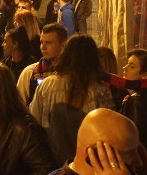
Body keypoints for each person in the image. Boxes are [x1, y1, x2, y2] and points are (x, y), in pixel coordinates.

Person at [29, 34, 115, 164]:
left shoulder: (46, 85)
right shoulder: (100, 90)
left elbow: (34, 120)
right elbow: (107, 129)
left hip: (52, 158)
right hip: (87, 160)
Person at [17, 23, 67, 106]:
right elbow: (20, 105)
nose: (43, 47)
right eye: (41, 42)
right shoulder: (29, 72)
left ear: (63, 44)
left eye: (49, 43)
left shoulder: (72, 73)